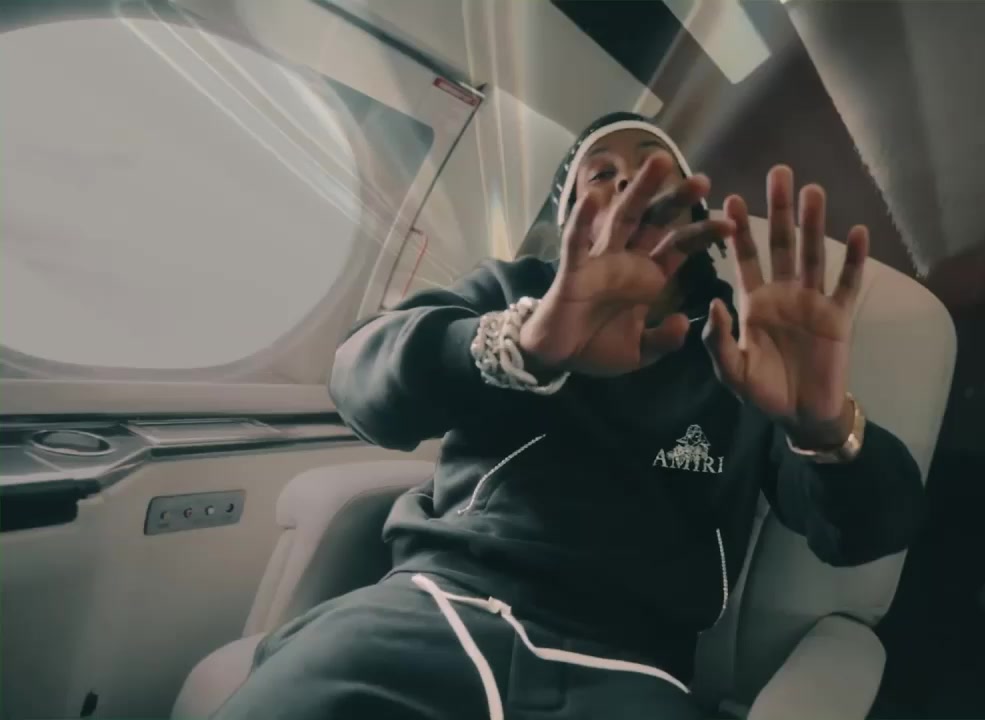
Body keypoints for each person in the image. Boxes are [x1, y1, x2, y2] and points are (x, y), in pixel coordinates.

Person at [213, 112, 925, 720]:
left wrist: (824, 428)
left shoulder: (743, 352)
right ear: (572, 217)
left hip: (631, 668)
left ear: (694, 213)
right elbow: (361, 382)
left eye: (654, 169)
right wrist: (516, 346)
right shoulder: (509, 293)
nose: (629, 180)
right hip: (436, 607)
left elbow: (869, 531)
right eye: (602, 171)